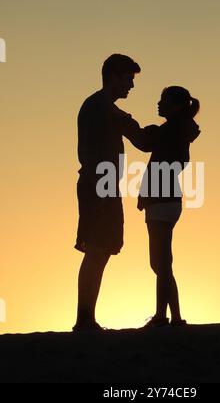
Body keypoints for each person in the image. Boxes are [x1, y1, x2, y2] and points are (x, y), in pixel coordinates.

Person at [121, 86, 201, 328]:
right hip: (167, 201)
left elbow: (144, 142)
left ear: (176, 106)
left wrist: (125, 124)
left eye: (163, 100)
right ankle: (172, 317)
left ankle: (162, 317)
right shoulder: (177, 130)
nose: (158, 103)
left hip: (162, 202)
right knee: (162, 262)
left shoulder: (171, 130)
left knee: (160, 262)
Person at [73, 54, 141, 332]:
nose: (131, 86)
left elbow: (139, 136)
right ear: (113, 76)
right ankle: (84, 318)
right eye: (128, 79)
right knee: (95, 250)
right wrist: (101, 189)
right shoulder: (97, 107)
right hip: (97, 186)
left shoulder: (106, 108)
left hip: (104, 186)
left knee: (101, 252)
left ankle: (86, 317)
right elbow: (88, 152)